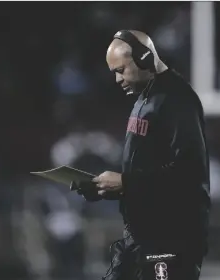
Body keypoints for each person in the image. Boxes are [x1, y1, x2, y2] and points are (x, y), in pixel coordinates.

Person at [70, 30, 211, 280]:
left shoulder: (177, 100)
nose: (117, 80)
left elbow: (190, 172)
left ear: (145, 58)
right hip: (141, 239)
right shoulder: (144, 98)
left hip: (171, 241)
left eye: (121, 70)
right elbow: (149, 174)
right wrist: (107, 189)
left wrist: (126, 182)